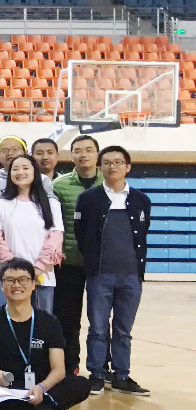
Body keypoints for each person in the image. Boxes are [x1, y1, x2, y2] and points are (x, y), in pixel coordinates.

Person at [0, 258, 91, 410]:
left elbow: (58, 369)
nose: (16, 285)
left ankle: (7, 409)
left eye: (23, 279)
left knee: (81, 384)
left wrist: (42, 387)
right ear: (1, 285)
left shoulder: (49, 322)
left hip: (37, 389)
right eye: (10, 280)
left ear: (33, 284)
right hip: (2, 388)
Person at [76, 145, 151, 396]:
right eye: (107, 162)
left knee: (123, 330)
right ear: (100, 167)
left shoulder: (141, 200)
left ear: (127, 167)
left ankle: (121, 375)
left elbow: (142, 233)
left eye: (118, 162)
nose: (113, 167)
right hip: (99, 275)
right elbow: (81, 234)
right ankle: (97, 374)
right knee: (97, 328)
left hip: (131, 276)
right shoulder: (88, 199)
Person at [51, 135, 101, 371]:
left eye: (89, 150)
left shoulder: (108, 181)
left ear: (97, 154)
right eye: (78, 150)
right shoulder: (59, 185)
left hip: (100, 263)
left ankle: (100, 367)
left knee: (99, 319)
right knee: (68, 318)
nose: (83, 154)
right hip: (69, 262)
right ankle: (70, 364)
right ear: (71, 155)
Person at [0, 153, 63, 314]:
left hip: (42, 278)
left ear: (35, 172)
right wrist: (13, 269)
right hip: (11, 278)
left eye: (25, 168)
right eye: (15, 169)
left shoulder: (51, 204)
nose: (20, 172)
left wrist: (38, 267)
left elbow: (56, 237)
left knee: (42, 323)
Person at [0, 135, 54, 201]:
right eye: (4, 150)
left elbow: (50, 204)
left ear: (26, 153)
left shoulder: (43, 180)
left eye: (15, 149)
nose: (10, 153)